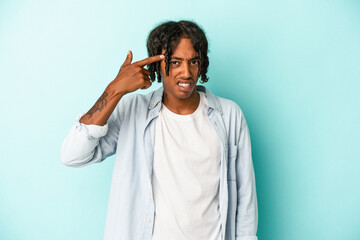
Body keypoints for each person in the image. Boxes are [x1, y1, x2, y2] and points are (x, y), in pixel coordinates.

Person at [61, 20, 258, 240]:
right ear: (157, 65)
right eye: (175, 62)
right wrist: (115, 89)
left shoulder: (229, 116)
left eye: (193, 61)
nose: (186, 72)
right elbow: (73, 155)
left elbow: (245, 197)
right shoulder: (133, 112)